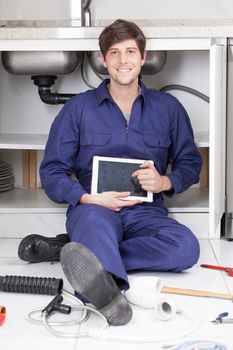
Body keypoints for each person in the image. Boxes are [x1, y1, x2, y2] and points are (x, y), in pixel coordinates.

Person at [19, 19, 202, 325]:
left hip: (146, 213)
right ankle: (108, 292)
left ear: (143, 58)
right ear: (103, 60)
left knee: (186, 248)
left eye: (130, 51)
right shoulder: (78, 109)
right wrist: (88, 199)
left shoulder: (169, 108)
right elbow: (52, 172)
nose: (123, 60)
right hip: (94, 211)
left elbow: (190, 164)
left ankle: (85, 257)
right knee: (93, 226)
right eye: (114, 53)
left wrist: (163, 181)